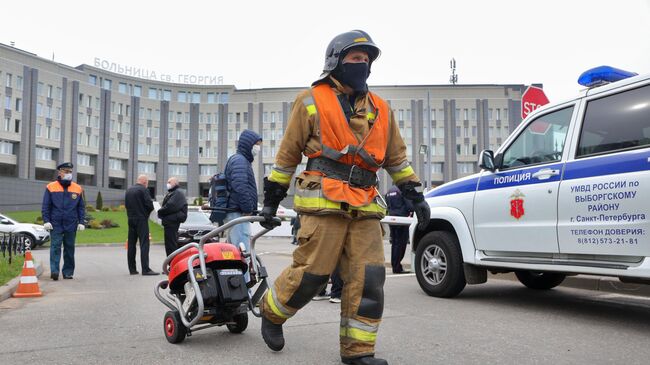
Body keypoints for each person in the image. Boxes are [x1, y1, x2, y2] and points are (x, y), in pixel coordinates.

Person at [257, 30, 430, 365]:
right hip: (323, 200)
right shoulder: (310, 100)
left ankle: (358, 352)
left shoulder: (380, 108)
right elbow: (288, 155)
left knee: (369, 278)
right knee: (313, 274)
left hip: (365, 203)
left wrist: (415, 196)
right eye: (355, 58)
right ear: (335, 61)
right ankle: (272, 312)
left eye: (366, 60)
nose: (362, 64)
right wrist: (271, 200)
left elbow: (396, 158)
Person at [223, 129, 262, 283]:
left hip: (237, 213)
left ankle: (237, 289)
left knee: (235, 252)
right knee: (242, 252)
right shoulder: (240, 161)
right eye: (257, 145)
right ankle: (244, 292)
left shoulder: (241, 160)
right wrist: (247, 209)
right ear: (249, 145)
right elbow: (240, 186)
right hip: (238, 213)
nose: (258, 148)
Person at [41, 162, 86, 281]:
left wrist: (81, 222)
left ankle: (68, 272)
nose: (68, 174)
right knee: (55, 247)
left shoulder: (77, 188)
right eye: (66, 171)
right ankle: (54, 271)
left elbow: (81, 207)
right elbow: (46, 205)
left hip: (71, 223)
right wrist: (46, 220)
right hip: (55, 224)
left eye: (70, 172)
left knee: (69, 248)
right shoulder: (51, 187)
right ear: (59, 172)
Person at [125, 174, 158, 276]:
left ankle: (132, 269)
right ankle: (145, 269)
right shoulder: (144, 190)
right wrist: (146, 214)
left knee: (131, 244)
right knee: (144, 244)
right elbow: (149, 205)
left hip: (131, 219)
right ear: (144, 182)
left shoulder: (129, 190)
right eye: (147, 183)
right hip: (141, 220)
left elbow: (126, 205)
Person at [385, 185, 414, 274]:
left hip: (392, 219)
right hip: (402, 220)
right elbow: (410, 207)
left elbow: (387, 205)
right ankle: (397, 267)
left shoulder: (389, 191)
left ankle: (395, 266)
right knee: (401, 244)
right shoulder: (403, 190)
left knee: (395, 244)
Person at [157, 177, 187, 256]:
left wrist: (160, 211)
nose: (168, 183)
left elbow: (170, 206)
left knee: (171, 245)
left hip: (172, 221)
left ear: (175, 183)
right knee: (169, 244)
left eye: (169, 182)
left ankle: (173, 263)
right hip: (169, 221)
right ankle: (171, 263)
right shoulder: (172, 193)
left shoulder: (177, 193)